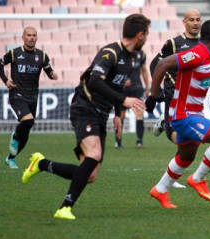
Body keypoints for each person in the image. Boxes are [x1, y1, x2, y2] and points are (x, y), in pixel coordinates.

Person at [21, 14, 149, 220]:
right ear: (140, 34)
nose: (147, 37)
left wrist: (118, 114)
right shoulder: (110, 53)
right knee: (95, 154)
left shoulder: (134, 57)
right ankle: (65, 208)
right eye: (147, 34)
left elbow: (115, 84)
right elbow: (96, 81)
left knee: (90, 174)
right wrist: (124, 100)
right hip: (84, 106)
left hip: (102, 113)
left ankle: (41, 164)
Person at [145, 20, 210, 209]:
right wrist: (153, 96)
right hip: (182, 114)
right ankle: (198, 179)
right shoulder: (196, 54)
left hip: (196, 113)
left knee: (186, 157)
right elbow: (162, 63)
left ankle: (160, 189)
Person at [150, 8, 210, 188]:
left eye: (198, 19)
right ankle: (171, 178)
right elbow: (156, 64)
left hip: (193, 97)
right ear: (184, 22)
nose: (195, 23)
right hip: (173, 94)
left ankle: (171, 176)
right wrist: (155, 90)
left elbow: (207, 71)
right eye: (192, 20)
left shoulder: (204, 46)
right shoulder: (173, 43)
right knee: (180, 136)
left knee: (188, 140)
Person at [0, 27, 58, 169]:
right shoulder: (14, 53)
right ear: (23, 37)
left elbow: (48, 69)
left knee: (26, 133)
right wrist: (6, 80)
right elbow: (0, 64)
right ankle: (14, 137)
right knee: (28, 120)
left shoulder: (42, 56)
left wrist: (52, 75)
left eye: (34, 35)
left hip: (33, 97)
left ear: (37, 38)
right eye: (28, 35)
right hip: (17, 95)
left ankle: (11, 158)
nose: (31, 37)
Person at [115, 49, 149, 149]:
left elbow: (144, 70)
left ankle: (139, 141)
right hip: (122, 89)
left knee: (139, 113)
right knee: (121, 115)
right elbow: (114, 70)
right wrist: (121, 80)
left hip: (136, 88)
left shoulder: (141, 53)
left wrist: (147, 87)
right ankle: (118, 141)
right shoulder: (120, 52)